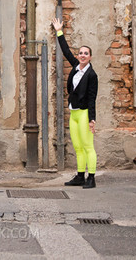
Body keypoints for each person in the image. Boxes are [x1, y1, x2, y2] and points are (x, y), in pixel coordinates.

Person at [52, 17, 98, 189]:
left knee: (88, 146)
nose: (82, 55)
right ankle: (80, 176)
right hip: (74, 113)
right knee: (78, 147)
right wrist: (59, 31)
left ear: (90, 57)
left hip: (85, 113)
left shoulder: (92, 75)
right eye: (81, 53)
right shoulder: (75, 67)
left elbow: (92, 98)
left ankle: (91, 178)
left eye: (86, 53)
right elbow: (65, 51)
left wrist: (92, 119)